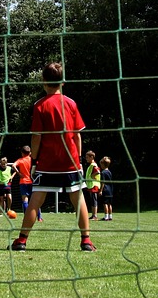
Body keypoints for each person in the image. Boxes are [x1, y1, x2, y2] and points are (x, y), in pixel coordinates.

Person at [9, 62, 94, 252]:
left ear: (44, 81)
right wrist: (78, 160)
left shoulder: (39, 106)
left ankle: (22, 240)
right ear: (62, 82)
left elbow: (36, 137)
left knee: (35, 200)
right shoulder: (71, 103)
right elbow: (77, 134)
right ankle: (86, 241)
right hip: (70, 162)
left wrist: (35, 160)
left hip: (47, 163)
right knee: (78, 199)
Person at [12, 144, 41, 222]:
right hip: (33, 181)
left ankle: (26, 217)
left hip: (23, 182)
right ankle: (39, 217)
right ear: (30, 153)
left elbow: (13, 165)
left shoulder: (20, 160)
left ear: (22, 153)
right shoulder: (32, 160)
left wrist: (19, 173)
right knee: (35, 200)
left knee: (25, 200)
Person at [83, 150, 101, 221]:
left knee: (94, 200)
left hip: (94, 185)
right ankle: (93, 215)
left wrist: (92, 176)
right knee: (92, 200)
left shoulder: (94, 165)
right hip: (91, 185)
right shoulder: (91, 165)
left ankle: (95, 215)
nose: (86, 159)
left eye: (87, 157)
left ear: (92, 157)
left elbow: (98, 172)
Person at [98, 156, 114, 220]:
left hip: (105, 189)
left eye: (101, 164)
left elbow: (103, 182)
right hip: (110, 189)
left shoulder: (103, 173)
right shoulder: (109, 172)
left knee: (105, 203)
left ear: (103, 164)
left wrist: (101, 190)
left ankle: (106, 216)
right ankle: (110, 216)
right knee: (110, 204)